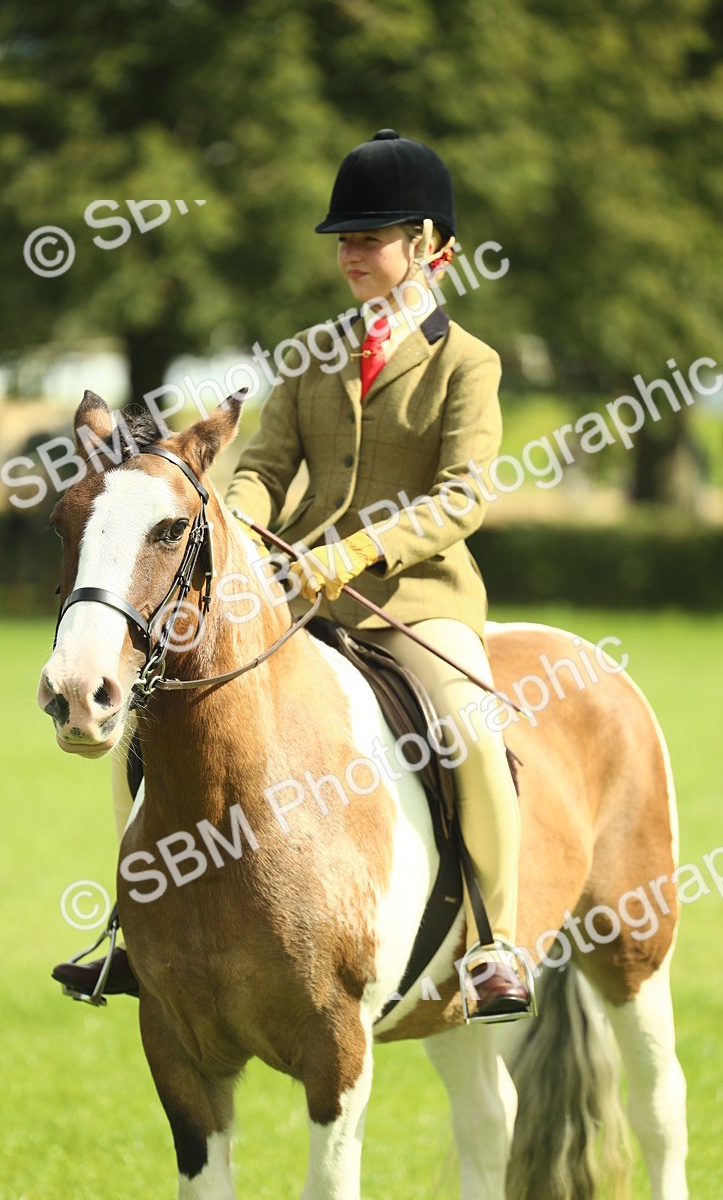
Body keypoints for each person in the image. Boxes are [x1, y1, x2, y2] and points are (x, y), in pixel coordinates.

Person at [54, 128, 529, 1019]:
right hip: (294, 595)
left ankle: (496, 946)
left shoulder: (470, 363)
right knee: (153, 723)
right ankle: (134, 925)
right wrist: (251, 532)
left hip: (414, 601)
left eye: (370, 236)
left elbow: (463, 495)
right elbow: (264, 468)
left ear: (431, 245)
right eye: (344, 238)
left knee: (467, 728)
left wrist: (357, 548)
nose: (351, 252)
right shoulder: (312, 358)